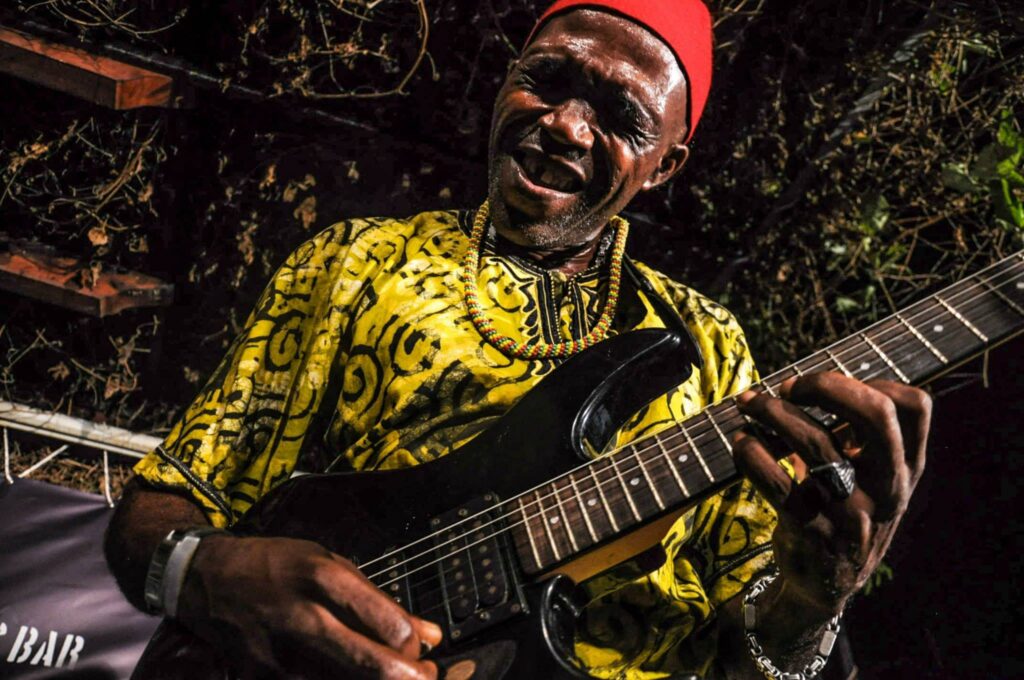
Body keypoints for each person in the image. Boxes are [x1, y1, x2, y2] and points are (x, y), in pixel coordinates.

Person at [104, 1, 931, 678]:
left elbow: (745, 658)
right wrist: (205, 572)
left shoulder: (711, 350)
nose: (568, 127)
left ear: (667, 166)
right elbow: (158, 505)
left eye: (620, 118)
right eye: (549, 82)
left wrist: (809, 607)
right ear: (506, 84)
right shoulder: (361, 262)